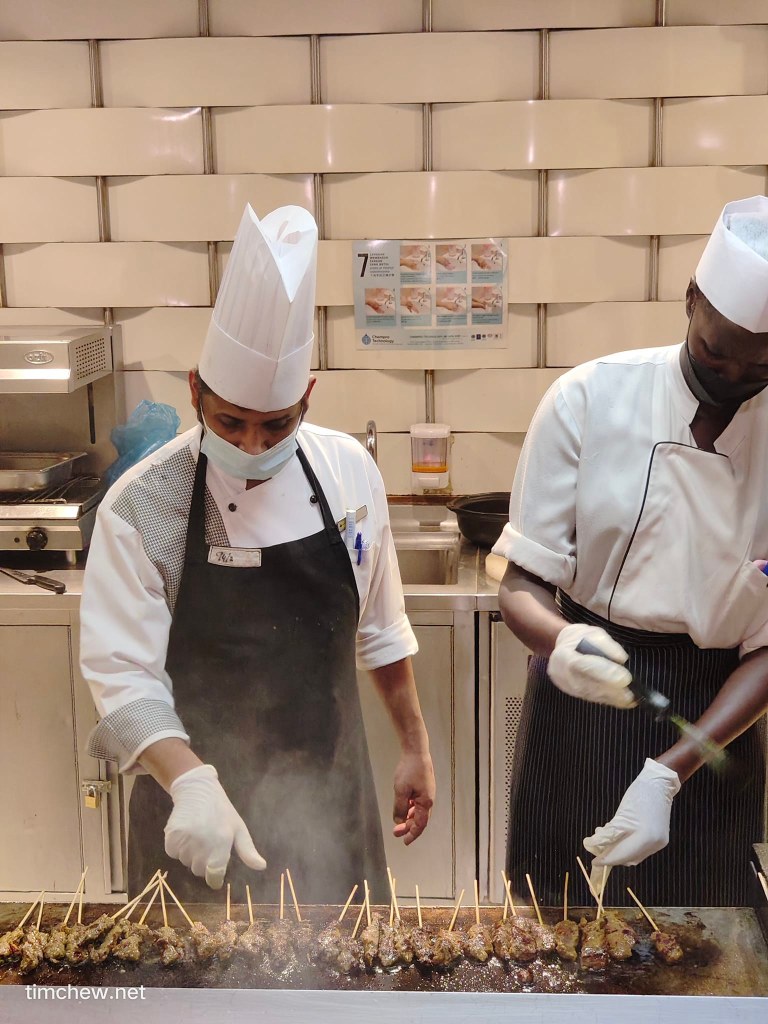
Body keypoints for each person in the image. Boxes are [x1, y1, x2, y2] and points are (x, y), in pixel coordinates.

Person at [81, 204, 436, 903]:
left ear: (307, 399)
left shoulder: (348, 474)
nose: (251, 446)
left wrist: (414, 746)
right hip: (193, 816)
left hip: (330, 803)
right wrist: (189, 781)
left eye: (276, 426)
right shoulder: (143, 505)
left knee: (346, 967)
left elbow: (380, 628)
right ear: (195, 390)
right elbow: (123, 679)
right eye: (230, 422)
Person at [493, 195, 768, 907]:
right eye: (715, 352)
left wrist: (669, 773)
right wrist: (559, 640)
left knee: (708, 936)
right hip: (583, 694)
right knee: (557, 927)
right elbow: (521, 581)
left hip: (714, 718)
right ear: (691, 300)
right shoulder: (588, 398)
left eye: (759, 367)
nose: (730, 378)